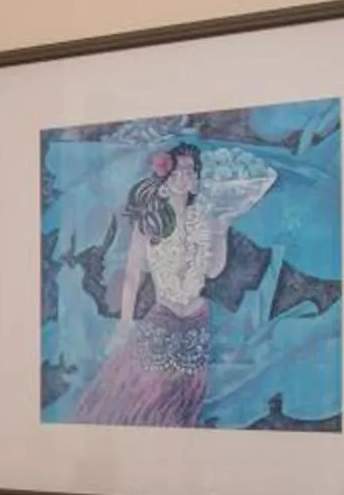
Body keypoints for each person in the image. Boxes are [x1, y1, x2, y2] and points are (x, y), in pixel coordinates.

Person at [67, 139, 275, 428]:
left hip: (195, 319)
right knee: (141, 392)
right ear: (164, 178)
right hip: (163, 315)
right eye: (177, 171)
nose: (183, 177)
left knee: (181, 398)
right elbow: (132, 276)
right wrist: (125, 325)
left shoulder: (204, 219)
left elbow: (213, 272)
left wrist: (221, 227)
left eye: (190, 172)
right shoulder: (150, 222)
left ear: (196, 181)